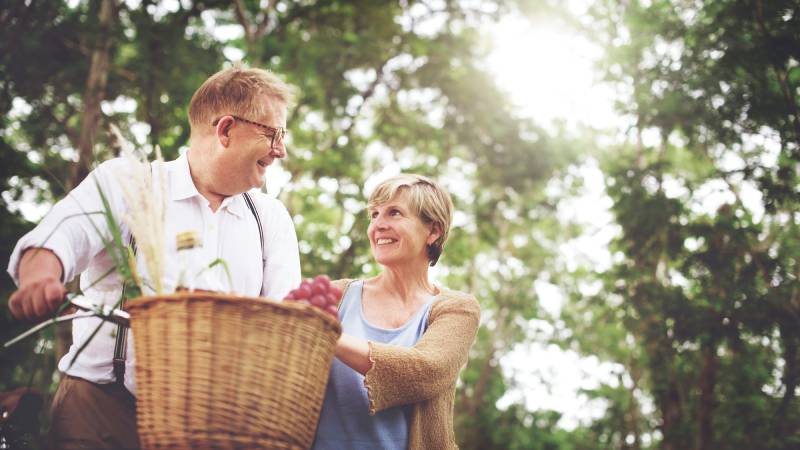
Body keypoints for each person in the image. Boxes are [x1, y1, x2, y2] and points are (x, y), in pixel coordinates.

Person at [6, 66, 302, 449]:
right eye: (272, 133)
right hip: (102, 413)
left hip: (214, 430)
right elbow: (59, 237)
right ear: (225, 129)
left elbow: (287, 323)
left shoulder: (271, 219)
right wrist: (40, 278)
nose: (281, 149)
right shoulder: (128, 183)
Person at [313, 174, 481, 450]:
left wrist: (327, 337)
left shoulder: (457, 309)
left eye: (394, 213)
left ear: (433, 231)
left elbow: (426, 371)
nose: (378, 225)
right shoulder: (336, 296)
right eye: (374, 214)